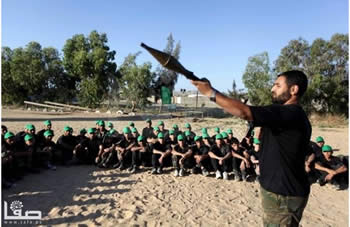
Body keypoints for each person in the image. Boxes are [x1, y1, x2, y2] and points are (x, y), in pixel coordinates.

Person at [192, 70, 311, 226]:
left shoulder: (290, 113)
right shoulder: (286, 116)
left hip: (283, 196)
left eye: (277, 85)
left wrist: (210, 92)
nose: (272, 89)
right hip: (280, 194)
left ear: (293, 90)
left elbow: (244, 111)